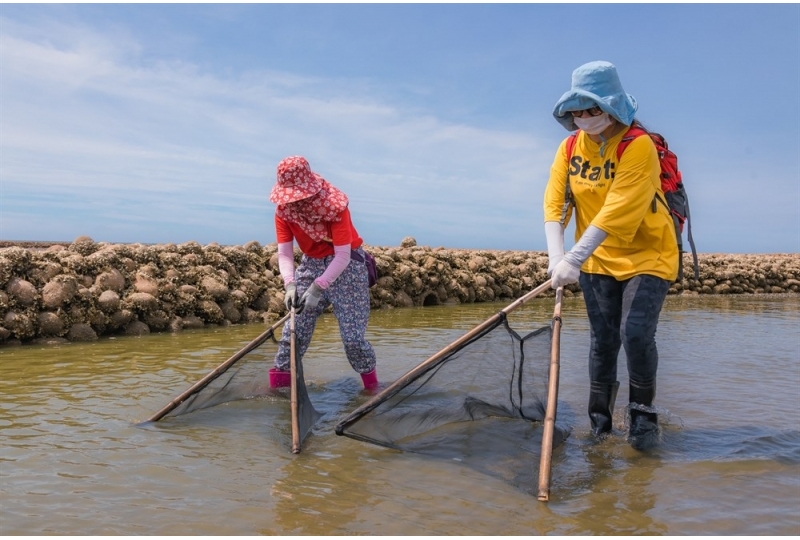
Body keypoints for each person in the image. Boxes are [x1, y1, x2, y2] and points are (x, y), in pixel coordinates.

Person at [542, 61, 679, 450]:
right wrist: (557, 256)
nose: (584, 118)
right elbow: (555, 202)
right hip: (599, 261)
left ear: (613, 106)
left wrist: (574, 259)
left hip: (649, 254)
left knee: (634, 335)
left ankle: (643, 422)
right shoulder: (569, 147)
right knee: (603, 342)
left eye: (593, 108)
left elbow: (617, 210)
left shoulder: (638, 146)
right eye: (578, 111)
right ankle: (600, 428)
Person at [268, 155, 378, 391]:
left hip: (347, 267)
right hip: (311, 264)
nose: (295, 203)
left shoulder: (334, 207)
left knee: (353, 341)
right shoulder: (284, 213)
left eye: (299, 196)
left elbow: (342, 256)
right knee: (292, 335)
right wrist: (290, 284)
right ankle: (279, 395)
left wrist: (318, 287)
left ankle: (372, 391)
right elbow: (285, 254)